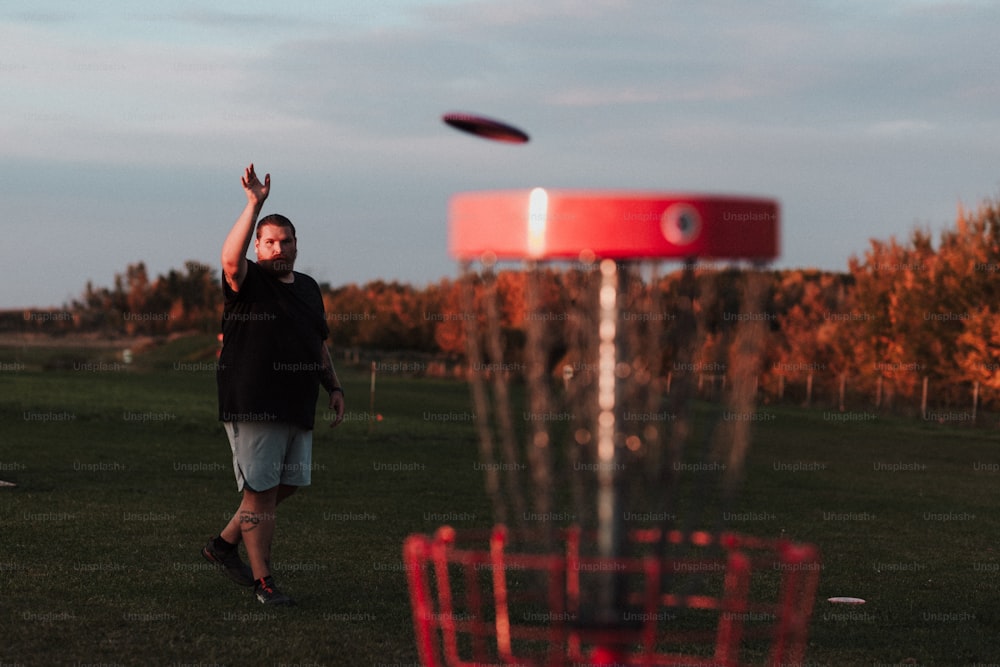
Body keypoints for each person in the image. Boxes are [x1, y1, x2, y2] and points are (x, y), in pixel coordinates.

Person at [201, 163, 345, 605]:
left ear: (296, 245)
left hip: (297, 402)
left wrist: (334, 387)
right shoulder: (247, 281)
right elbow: (228, 258)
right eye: (269, 242)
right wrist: (253, 204)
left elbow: (317, 342)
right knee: (259, 495)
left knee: (287, 485)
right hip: (254, 400)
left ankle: (223, 546)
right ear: (258, 247)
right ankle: (265, 583)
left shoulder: (308, 287)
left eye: (285, 241)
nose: (278, 247)